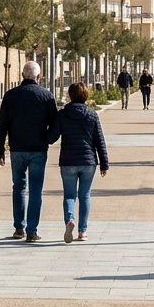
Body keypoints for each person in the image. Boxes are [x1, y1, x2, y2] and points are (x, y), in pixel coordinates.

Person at [0, 61, 59, 242]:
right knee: (36, 190)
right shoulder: (46, 96)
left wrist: (0, 148)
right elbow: (55, 124)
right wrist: (47, 139)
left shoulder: (10, 96)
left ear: (22, 76)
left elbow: (2, 125)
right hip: (38, 149)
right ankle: (32, 231)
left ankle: (19, 228)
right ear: (39, 77)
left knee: (18, 188)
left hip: (17, 149)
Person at [49, 82, 108, 243]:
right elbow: (99, 140)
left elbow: (51, 137)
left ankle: (69, 220)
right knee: (85, 195)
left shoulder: (62, 114)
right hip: (88, 161)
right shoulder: (92, 114)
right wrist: (104, 163)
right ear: (85, 95)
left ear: (70, 95)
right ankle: (82, 231)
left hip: (68, 161)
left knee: (69, 195)